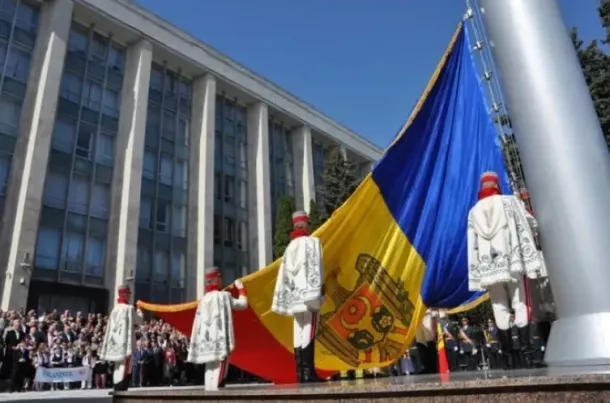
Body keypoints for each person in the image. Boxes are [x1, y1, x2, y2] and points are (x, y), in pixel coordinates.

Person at [467, 171, 547, 355]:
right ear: (496, 185)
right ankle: (526, 350)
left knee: (499, 306)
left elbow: (472, 243)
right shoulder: (509, 202)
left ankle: (508, 354)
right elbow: (529, 222)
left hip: (489, 267)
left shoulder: (474, 211)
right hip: (512, 262)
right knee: (520, 302)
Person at [271, 210, 324, 384]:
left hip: (294, 296)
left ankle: (301, 372)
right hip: (309, 295)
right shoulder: (313, 243)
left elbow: (284, 274)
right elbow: (317, 267)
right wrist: (319, 290)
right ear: (306, 225)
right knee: (309, 328)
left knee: (298, 328)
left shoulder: (290, 247)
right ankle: (309, 372)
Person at [187, 267, 248, 391]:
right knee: (220, 370)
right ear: (216, 279)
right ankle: (217, 394)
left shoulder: (203, 300)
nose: (222, 280)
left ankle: (209, 393)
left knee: (209, 369)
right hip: (220, 341)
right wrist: (241, 289)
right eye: (220, 277)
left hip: (207, 342)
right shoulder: (224, 296)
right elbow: (243, 305)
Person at [99, 284, 144, 392]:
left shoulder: (115, 309)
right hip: (125, 341)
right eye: (128, 294)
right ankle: (121, 386)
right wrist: (139, 310)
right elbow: (140, 321)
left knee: (117, 365)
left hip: (116, 341)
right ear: (125, 294)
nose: (130, 296)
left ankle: (116, 384)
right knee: (125, 365)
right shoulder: (129, 308)